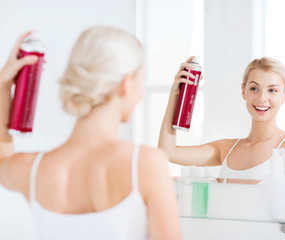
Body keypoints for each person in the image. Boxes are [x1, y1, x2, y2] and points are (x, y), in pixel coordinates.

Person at [0, 27, 181, 240]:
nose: (141, 91)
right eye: (142, 80)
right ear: (126, 83)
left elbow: (3, 160)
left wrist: (3, 86)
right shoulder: (146, 163)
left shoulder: (31, 170)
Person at [159, 56, 285, 181]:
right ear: (243, 91)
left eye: (272, 90)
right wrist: (176, 96)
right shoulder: (227, 149)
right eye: (254, 88)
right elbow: (167, 151)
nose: (262, 98)